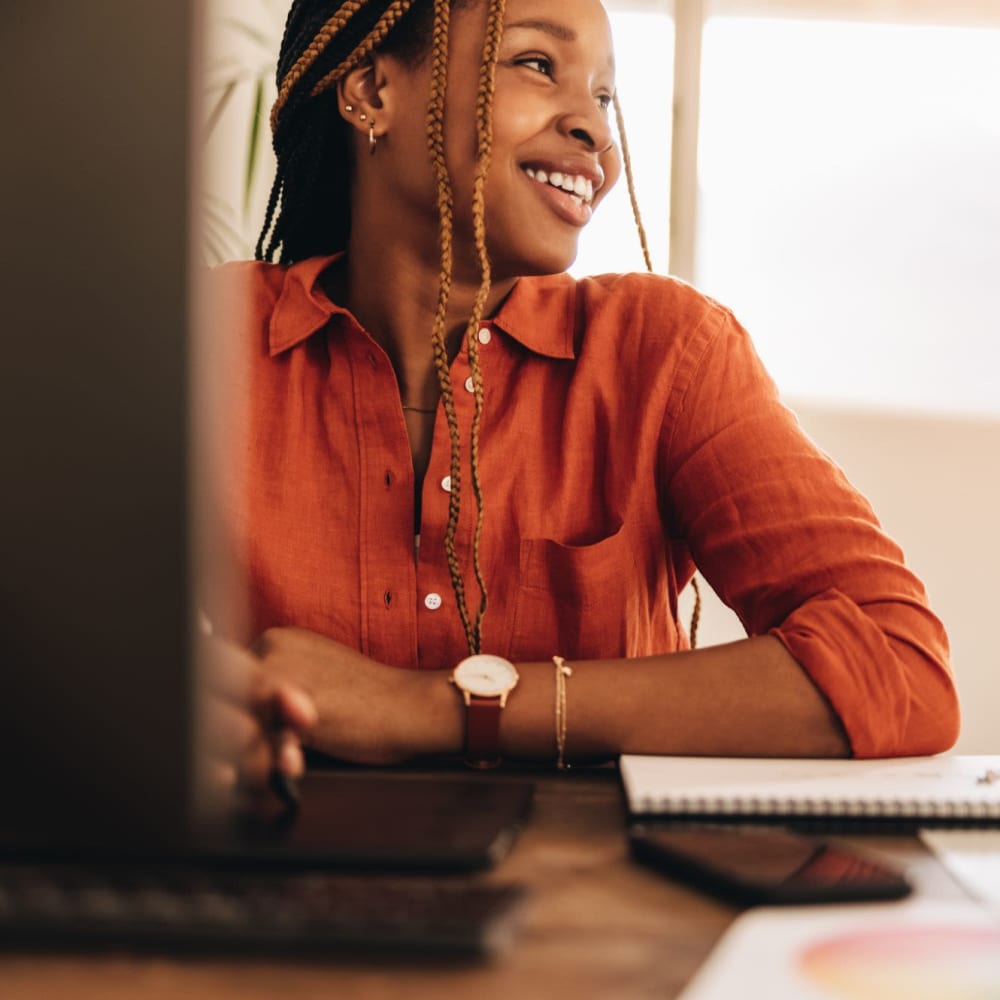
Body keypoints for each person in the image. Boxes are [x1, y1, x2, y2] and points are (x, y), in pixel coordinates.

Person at [207, 0, 959, 778]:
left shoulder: (663, 354)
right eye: (538, 65)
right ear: (371, 92)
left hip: (602, 893)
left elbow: (899, 666)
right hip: (263, 883)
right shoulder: (207, 342)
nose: (597, 132)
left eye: (604, 98)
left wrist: (430, 707)